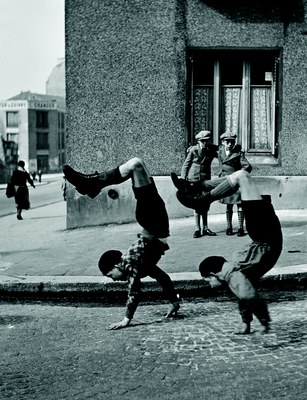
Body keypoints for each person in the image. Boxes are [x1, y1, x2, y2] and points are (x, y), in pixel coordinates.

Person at [63, 158, 181, 330]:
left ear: (117, 265)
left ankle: (93, 184)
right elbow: (163, 278)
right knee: (137, 165)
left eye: (111, 275)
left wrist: (126, 319)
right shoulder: (142, 266)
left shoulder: (131, 264)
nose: (114, 280)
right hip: (154, 219)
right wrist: (174, 302)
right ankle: (93, 184)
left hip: (153, 220)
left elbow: (134, 293)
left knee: (135, 165)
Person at [171, 169, 283, 335]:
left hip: (266, 235)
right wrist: (256, 322)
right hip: (265, 234)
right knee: (242, 177)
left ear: (213, 274)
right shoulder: (232, 272)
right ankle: (198, 190)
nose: (209, 285)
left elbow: (246, 295)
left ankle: (199, 194)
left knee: (241, 178)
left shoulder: (231, 273)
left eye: (207, 281)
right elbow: (246, 295)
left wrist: (257, 323)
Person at [180, 130, 218, 238]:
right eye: (202, 141)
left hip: (205, 180)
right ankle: (197, 228)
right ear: (198, 141)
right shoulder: (193, 150)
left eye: (206, 141)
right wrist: (183, 179)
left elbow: (221, 155)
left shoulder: (211, 150)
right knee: (196, 204)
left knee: (205, 203)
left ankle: (205, 228)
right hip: (194, 179)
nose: (204, 143)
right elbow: (186, 165)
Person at [218, 132, 252, 237]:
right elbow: (206, 149)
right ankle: (229, 227)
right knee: (229, 205)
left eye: (232, 142)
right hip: (225, 181)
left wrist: (239, 174)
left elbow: (247, 166)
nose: (230, 144)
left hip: (236, 182)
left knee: (239, 205)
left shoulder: (238, 153)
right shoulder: (219, 151)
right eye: (227, 142)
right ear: (223, 142)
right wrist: (192, 148)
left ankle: (240, 228)